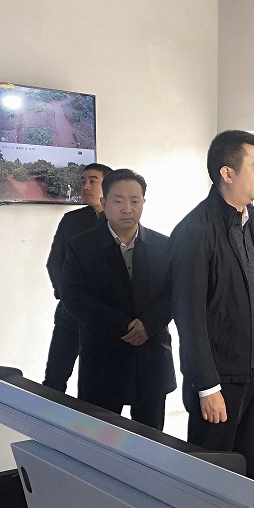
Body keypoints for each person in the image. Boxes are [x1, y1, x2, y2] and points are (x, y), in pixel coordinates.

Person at [170, 130, 254, 482]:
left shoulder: (253, 223)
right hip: (219, 378)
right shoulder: (195, 231)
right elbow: (189, 317)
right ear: (228, 173)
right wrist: (207, 386)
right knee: (212, 471)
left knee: (252, 465)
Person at [59, 168, 176, 429]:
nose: (127, 208)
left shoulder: (164, 246)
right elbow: (73, 297)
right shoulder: (81, 246)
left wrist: (148, 324)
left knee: (150, 440)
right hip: (103, 359)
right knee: (101, 438)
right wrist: (123, 326)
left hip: (150, 359)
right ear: (104, 202)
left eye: (135, 200)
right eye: (118, 200)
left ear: (143, 202)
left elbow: (174, 292)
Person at [42, 162, 112, 393]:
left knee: (97, 385)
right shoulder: (71, 221)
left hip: (103, 319)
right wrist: (66, 295)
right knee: (54, 379)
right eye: (83, 181)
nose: (86, 186)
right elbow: (54, 262)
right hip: (69, 314)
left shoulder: (119, 221)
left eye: (93, 181)